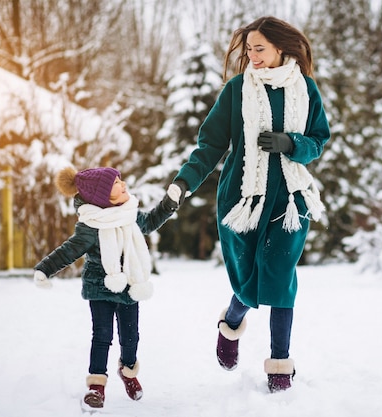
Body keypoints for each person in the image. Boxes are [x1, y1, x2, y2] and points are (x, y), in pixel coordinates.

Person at [165, 16, 330, 392]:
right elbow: (210, 146)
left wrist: (292, 144)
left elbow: (318, 139)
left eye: (260, 49)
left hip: (290, 199)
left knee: (280, 274)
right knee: (250, 280)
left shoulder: (305, 90)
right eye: (249, 49)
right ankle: (233, 321)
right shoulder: (237, 90)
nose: (252, 56)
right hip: (243, 201)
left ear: (280, 50)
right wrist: (182, 183)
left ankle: (279, 364)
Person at [33, 166, 180, 409]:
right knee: (102, 336)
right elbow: (69, 251)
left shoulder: (130, 214)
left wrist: (169, 203)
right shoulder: (91, 225)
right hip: (99, 288)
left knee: (130, 337)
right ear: (102, 196)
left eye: (121, 180)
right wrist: (44, 269)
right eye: (116, 183)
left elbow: (152, 220)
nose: (123, 185)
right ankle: (96, 387)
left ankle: (128, 372)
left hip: (129, 286)